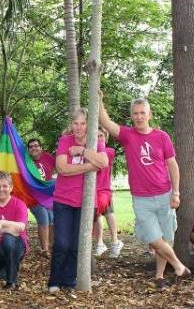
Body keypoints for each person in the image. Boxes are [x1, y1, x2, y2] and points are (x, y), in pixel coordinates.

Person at [99, 94, 190, 289]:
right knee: (154, 238)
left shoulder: (162, 136)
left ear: (149, 114)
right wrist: (99, 100)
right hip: (141, 198)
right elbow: (105, 122)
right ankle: (179, 266)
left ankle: (159, 276)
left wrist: (176, 192)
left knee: (165, 238)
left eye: (142, 113)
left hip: (165, 194)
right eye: (135, 114)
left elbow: (172, 165)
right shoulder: (128, 135)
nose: (139, 117)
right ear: (131, 116)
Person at [48, 109, 108, 292]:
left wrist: (82, 150)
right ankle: (54, 281)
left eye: (83, 123)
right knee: (62, 243)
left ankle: (69, 280)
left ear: (88, 125)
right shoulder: (65, 141)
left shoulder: (95, 142)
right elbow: (62, 168)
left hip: (86, 203)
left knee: (76, 245)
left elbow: (103, 162)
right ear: (71, 124)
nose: (79, 127)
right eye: (76, 123)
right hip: (63, 200)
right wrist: (90, 166)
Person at [93, 128, 124, 258]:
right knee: (97, 216)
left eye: (101, 136)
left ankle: (115, 241)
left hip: (104, 190)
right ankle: (100, 243)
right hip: (93, 190)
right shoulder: (92, 152)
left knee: (107, 214)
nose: (99, 138)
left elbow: (100, 160)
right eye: (96, 136)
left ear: (106, 137)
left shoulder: (109, 151)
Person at [27, 138, 55, 258]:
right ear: (28, 150)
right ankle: (45, 249)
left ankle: (52, 246)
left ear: (41, 148)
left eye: (36, 146)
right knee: (43, 217)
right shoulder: (25, 161)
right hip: (34, 197)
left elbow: (59, 169)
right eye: (31, 147)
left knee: (52, 218)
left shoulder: (48, 157)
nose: (34, 148)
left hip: (48, 196)